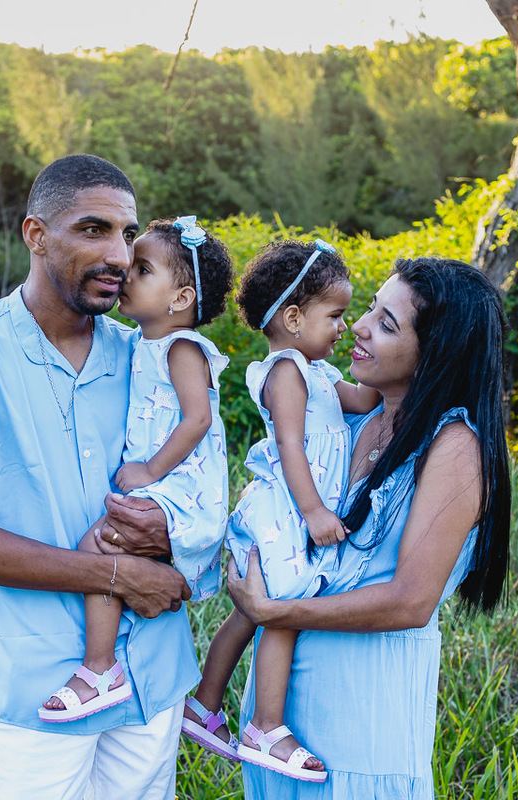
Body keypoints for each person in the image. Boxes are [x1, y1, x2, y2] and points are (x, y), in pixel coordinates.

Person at [0, 154, 200, 800]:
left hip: (151, 679)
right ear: (35, 235)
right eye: (93, 230)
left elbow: (196, 492)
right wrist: (117, 574)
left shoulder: (151, 359)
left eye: (128, 233)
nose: (118, 253)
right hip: (38, 695)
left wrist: (174, 543)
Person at [225, 256, 511, 799]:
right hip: (282, 725)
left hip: (362, 728)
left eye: (386, 323)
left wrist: (274, 611)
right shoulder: (352, 418)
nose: (358, 325)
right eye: (371, 309)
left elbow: (410, 601)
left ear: (436, 349)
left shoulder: (454, 446)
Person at [180, 240, 379, 782]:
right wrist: (314, 511)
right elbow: (291, 445)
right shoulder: (286, 371)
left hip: (289, 513)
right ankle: (266, 727)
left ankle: (203, 706)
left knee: (251, 611)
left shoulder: (316, 372)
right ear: (293, 318)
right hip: (284, 510)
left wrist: (406, 370)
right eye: (335, 315)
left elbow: (363, 400)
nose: (346, 326)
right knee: (284, 612)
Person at [40, 215, 234, 723]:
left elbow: (198, 419)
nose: (125, 272)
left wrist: (150, 468)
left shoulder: (182, 348)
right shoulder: (143, 343)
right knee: (109, 548)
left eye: (142, 269)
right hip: (166, 482)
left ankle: (100, 669)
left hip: (180, 485)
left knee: (97, 546)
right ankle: (109, 659)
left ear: (181, 299)